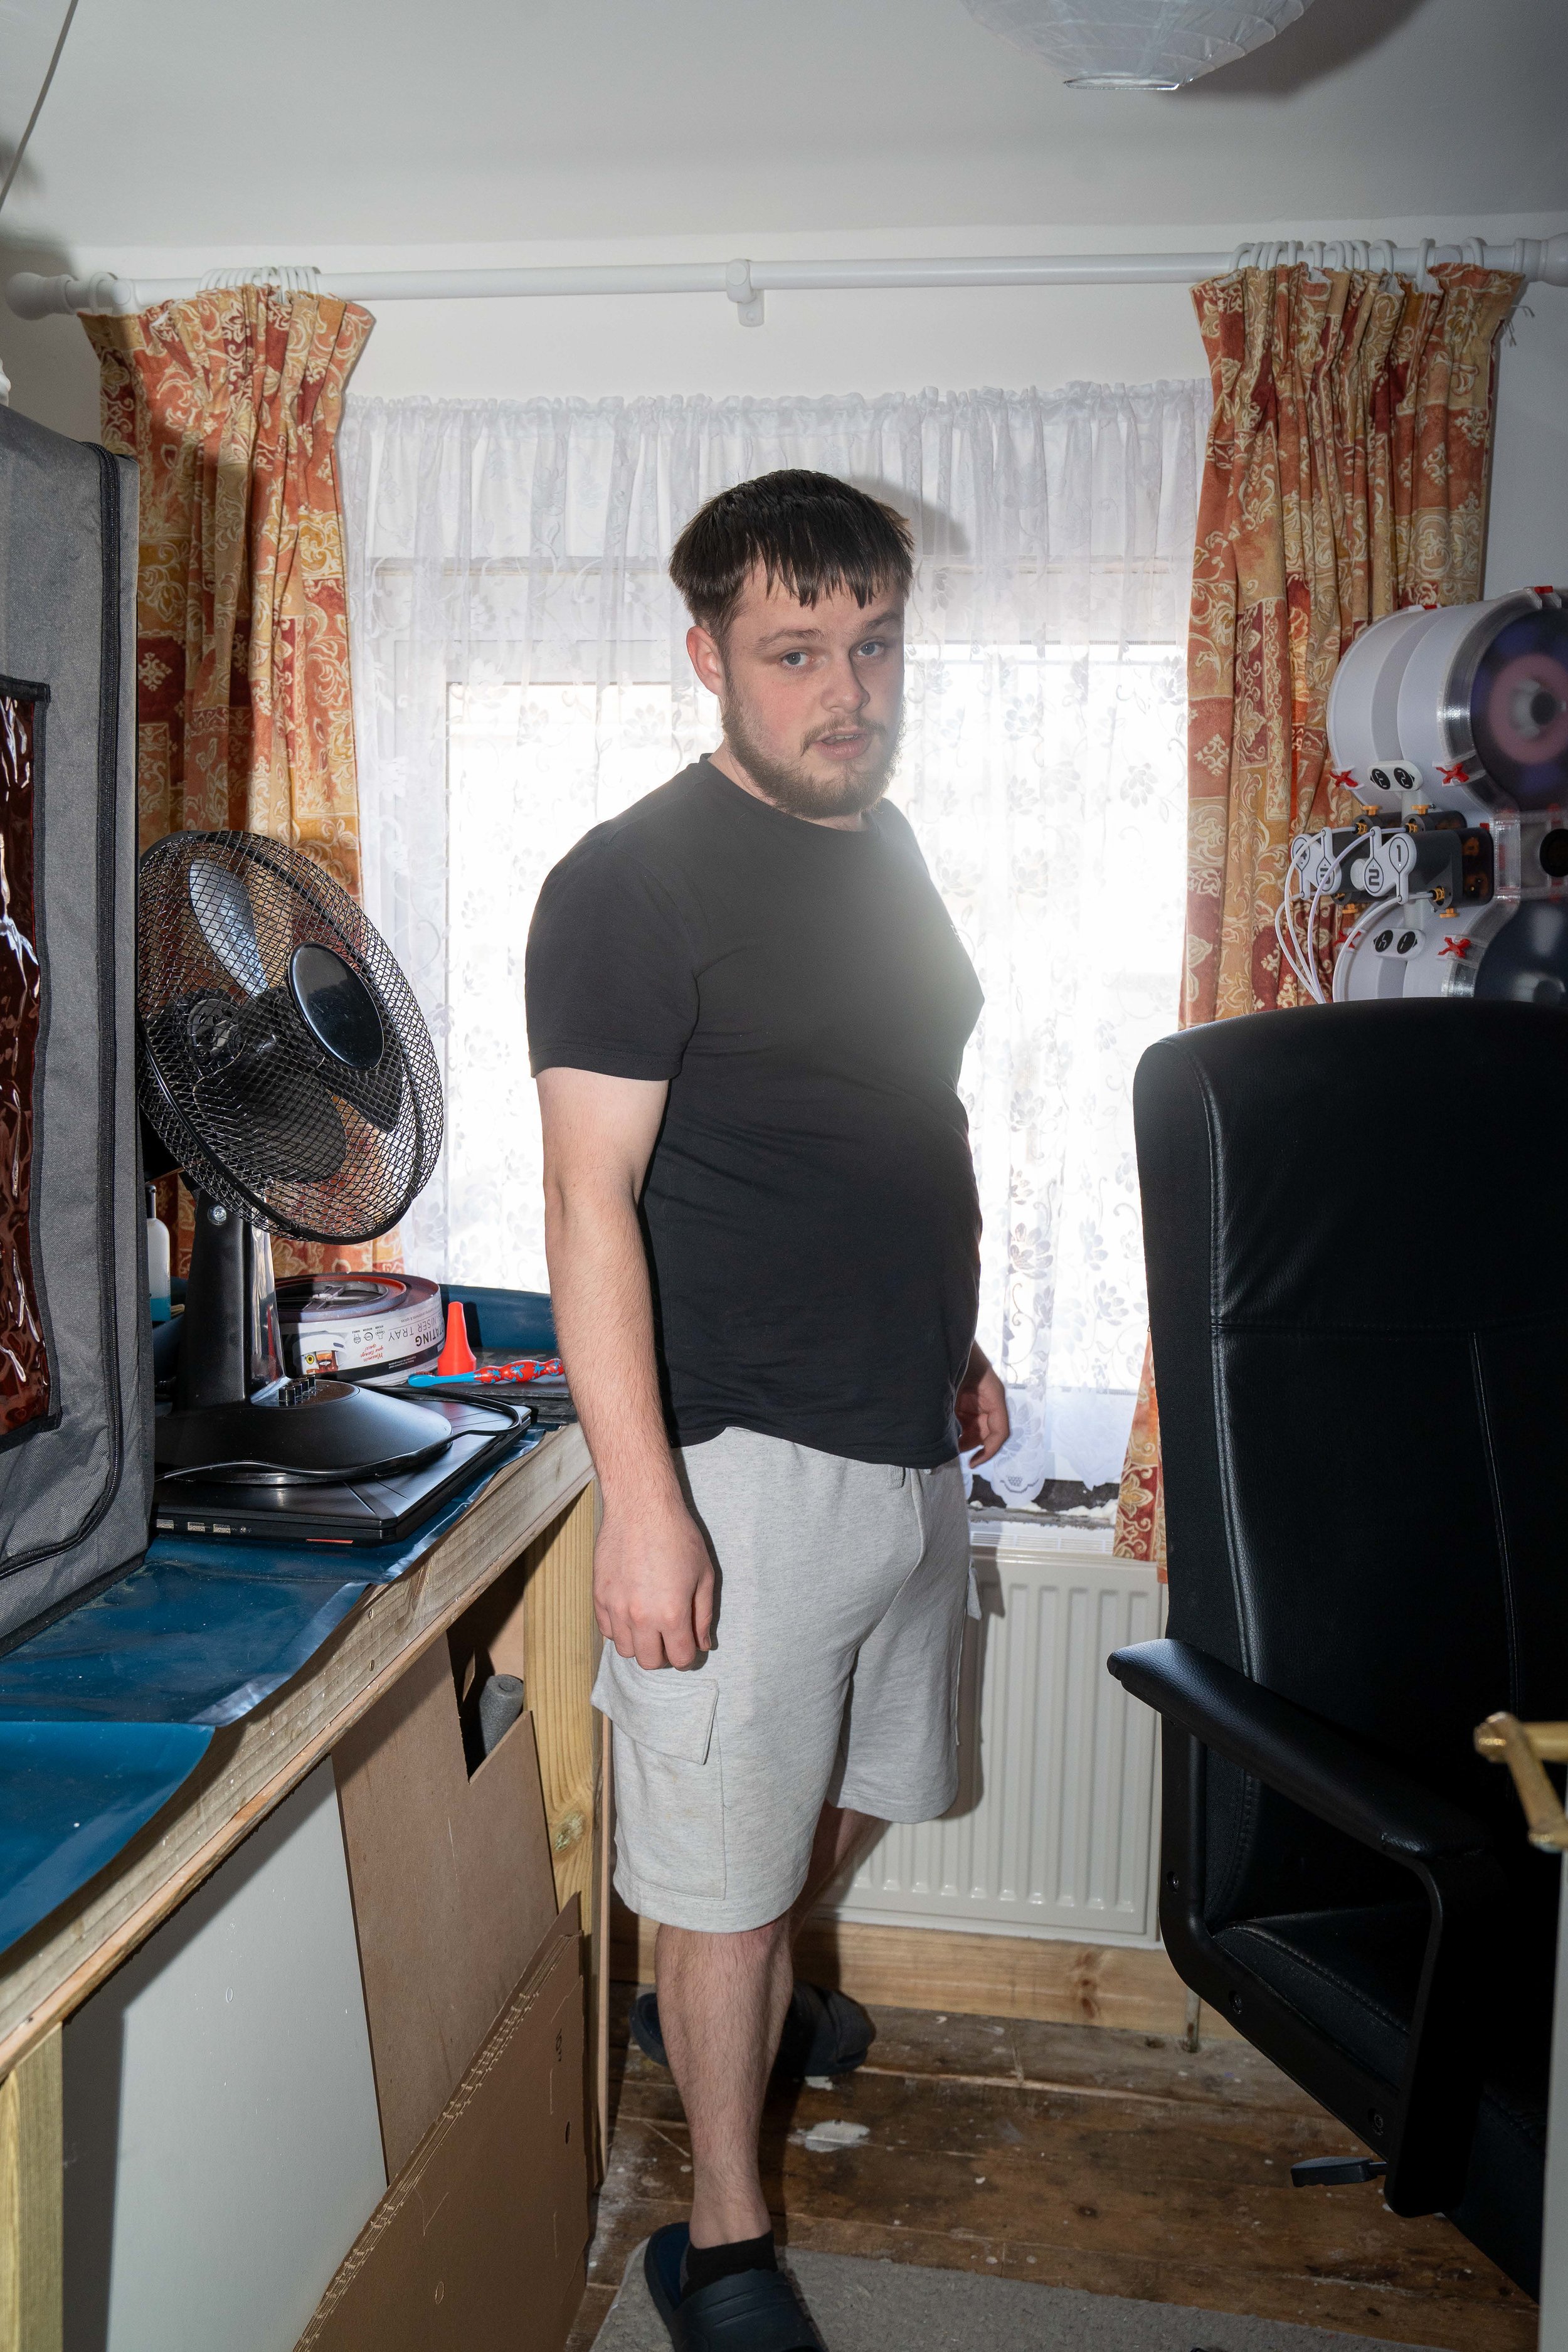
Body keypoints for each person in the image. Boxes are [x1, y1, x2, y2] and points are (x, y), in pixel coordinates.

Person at [525, 468, 1007, 2351]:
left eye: (872, 645)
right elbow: (588, 1203)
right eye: (796, 652)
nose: (846, 691)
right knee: (724, 1881)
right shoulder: (631, 882)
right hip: (738, 1456)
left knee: (878, 1782)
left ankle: (722, 1992)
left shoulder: (885, 844)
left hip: (904, 1425)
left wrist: (958, 1336)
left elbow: (905, 1114)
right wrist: (646, 1507)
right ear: (707, 656)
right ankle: (722, 2245)